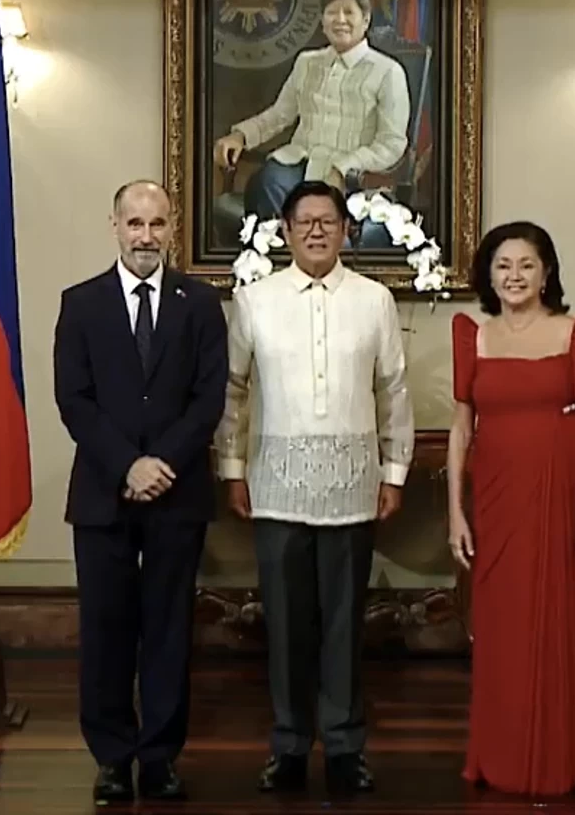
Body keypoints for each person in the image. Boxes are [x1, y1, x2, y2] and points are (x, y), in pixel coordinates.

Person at [215, 180, 414, 795]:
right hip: (276, 487)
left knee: (344, 625)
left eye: (328, 221)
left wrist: (394, 472)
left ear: (346, 231)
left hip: (354, 488)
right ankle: (289, 745)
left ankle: (347, 747)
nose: (317, 231)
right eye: (305, 222)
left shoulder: (375, 300)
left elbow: (393, 390)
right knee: (286, 626)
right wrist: (232, 468)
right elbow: (233, 390)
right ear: (286, 231)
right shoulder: (254, 300)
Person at [53, 180, 228, 804]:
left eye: (157, 224)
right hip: (103, 493)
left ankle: (158, 757)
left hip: (178, 493)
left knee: (169, 630)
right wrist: (129, 464)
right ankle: (111, 757)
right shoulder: (81, 303)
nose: (146, 236)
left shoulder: (200, 304)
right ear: (115, 227)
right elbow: (74, 400)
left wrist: (162, 463)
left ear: (172, 227)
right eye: (135, 224)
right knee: (106, 630)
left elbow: (209, 398)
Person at [447, 221, 575, 796]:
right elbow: (461, 429)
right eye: (503, 265)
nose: (514, 275)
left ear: (546, 273)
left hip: (562, 499)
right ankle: (503, 754)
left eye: (526, 265)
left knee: (565, 621)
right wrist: (456, 513)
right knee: (503, 628)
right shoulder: (474, 336)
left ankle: (568, 756)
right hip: (496, 501)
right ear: (488, 275)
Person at [213, 0, 410, 247]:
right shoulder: (307, 62)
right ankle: (281, 261)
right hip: (300, 164)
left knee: (328, 219)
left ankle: (322, 265)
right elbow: (280, 115)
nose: (340, 20)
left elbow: (391, 143)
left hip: (355, 177)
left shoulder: (388, 71)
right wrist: (240, 135)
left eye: (349, 12)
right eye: (332, 12)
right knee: (267, 181)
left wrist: (344, 168)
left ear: (366, 20)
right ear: (322, 21)